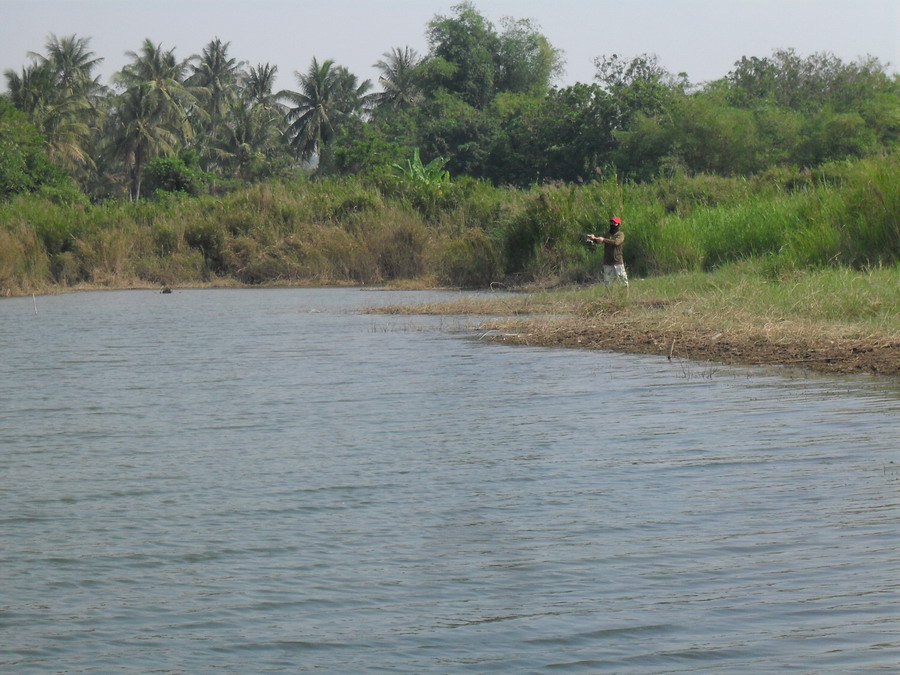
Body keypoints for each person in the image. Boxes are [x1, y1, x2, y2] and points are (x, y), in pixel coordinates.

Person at [587, 216, 628, 287]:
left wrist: (604, 240)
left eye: (614, 223)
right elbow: (599, 241)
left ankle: (625, 296)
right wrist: (593, 238)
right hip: (607, 262)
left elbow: (616, 242)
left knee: (623, 283)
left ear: (618, 224)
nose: (612, 224)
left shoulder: (620, 234)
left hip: (618, 261)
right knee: (608, 284)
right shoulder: (607, 234)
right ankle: (609, 297)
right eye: (611, 222)